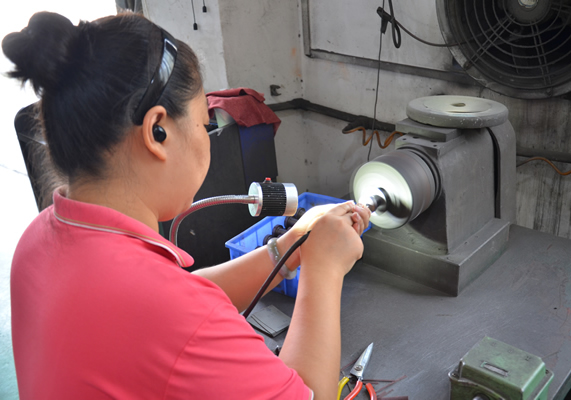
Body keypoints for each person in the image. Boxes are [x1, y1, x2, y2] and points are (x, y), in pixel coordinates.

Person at [4, 11, 371, 400]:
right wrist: (323, 269)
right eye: (203, 123)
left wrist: (288, 248)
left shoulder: (37, 241)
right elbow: (179, 316)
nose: (206, 137)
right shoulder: (171, 314)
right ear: (157, 132)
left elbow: (178, 300)